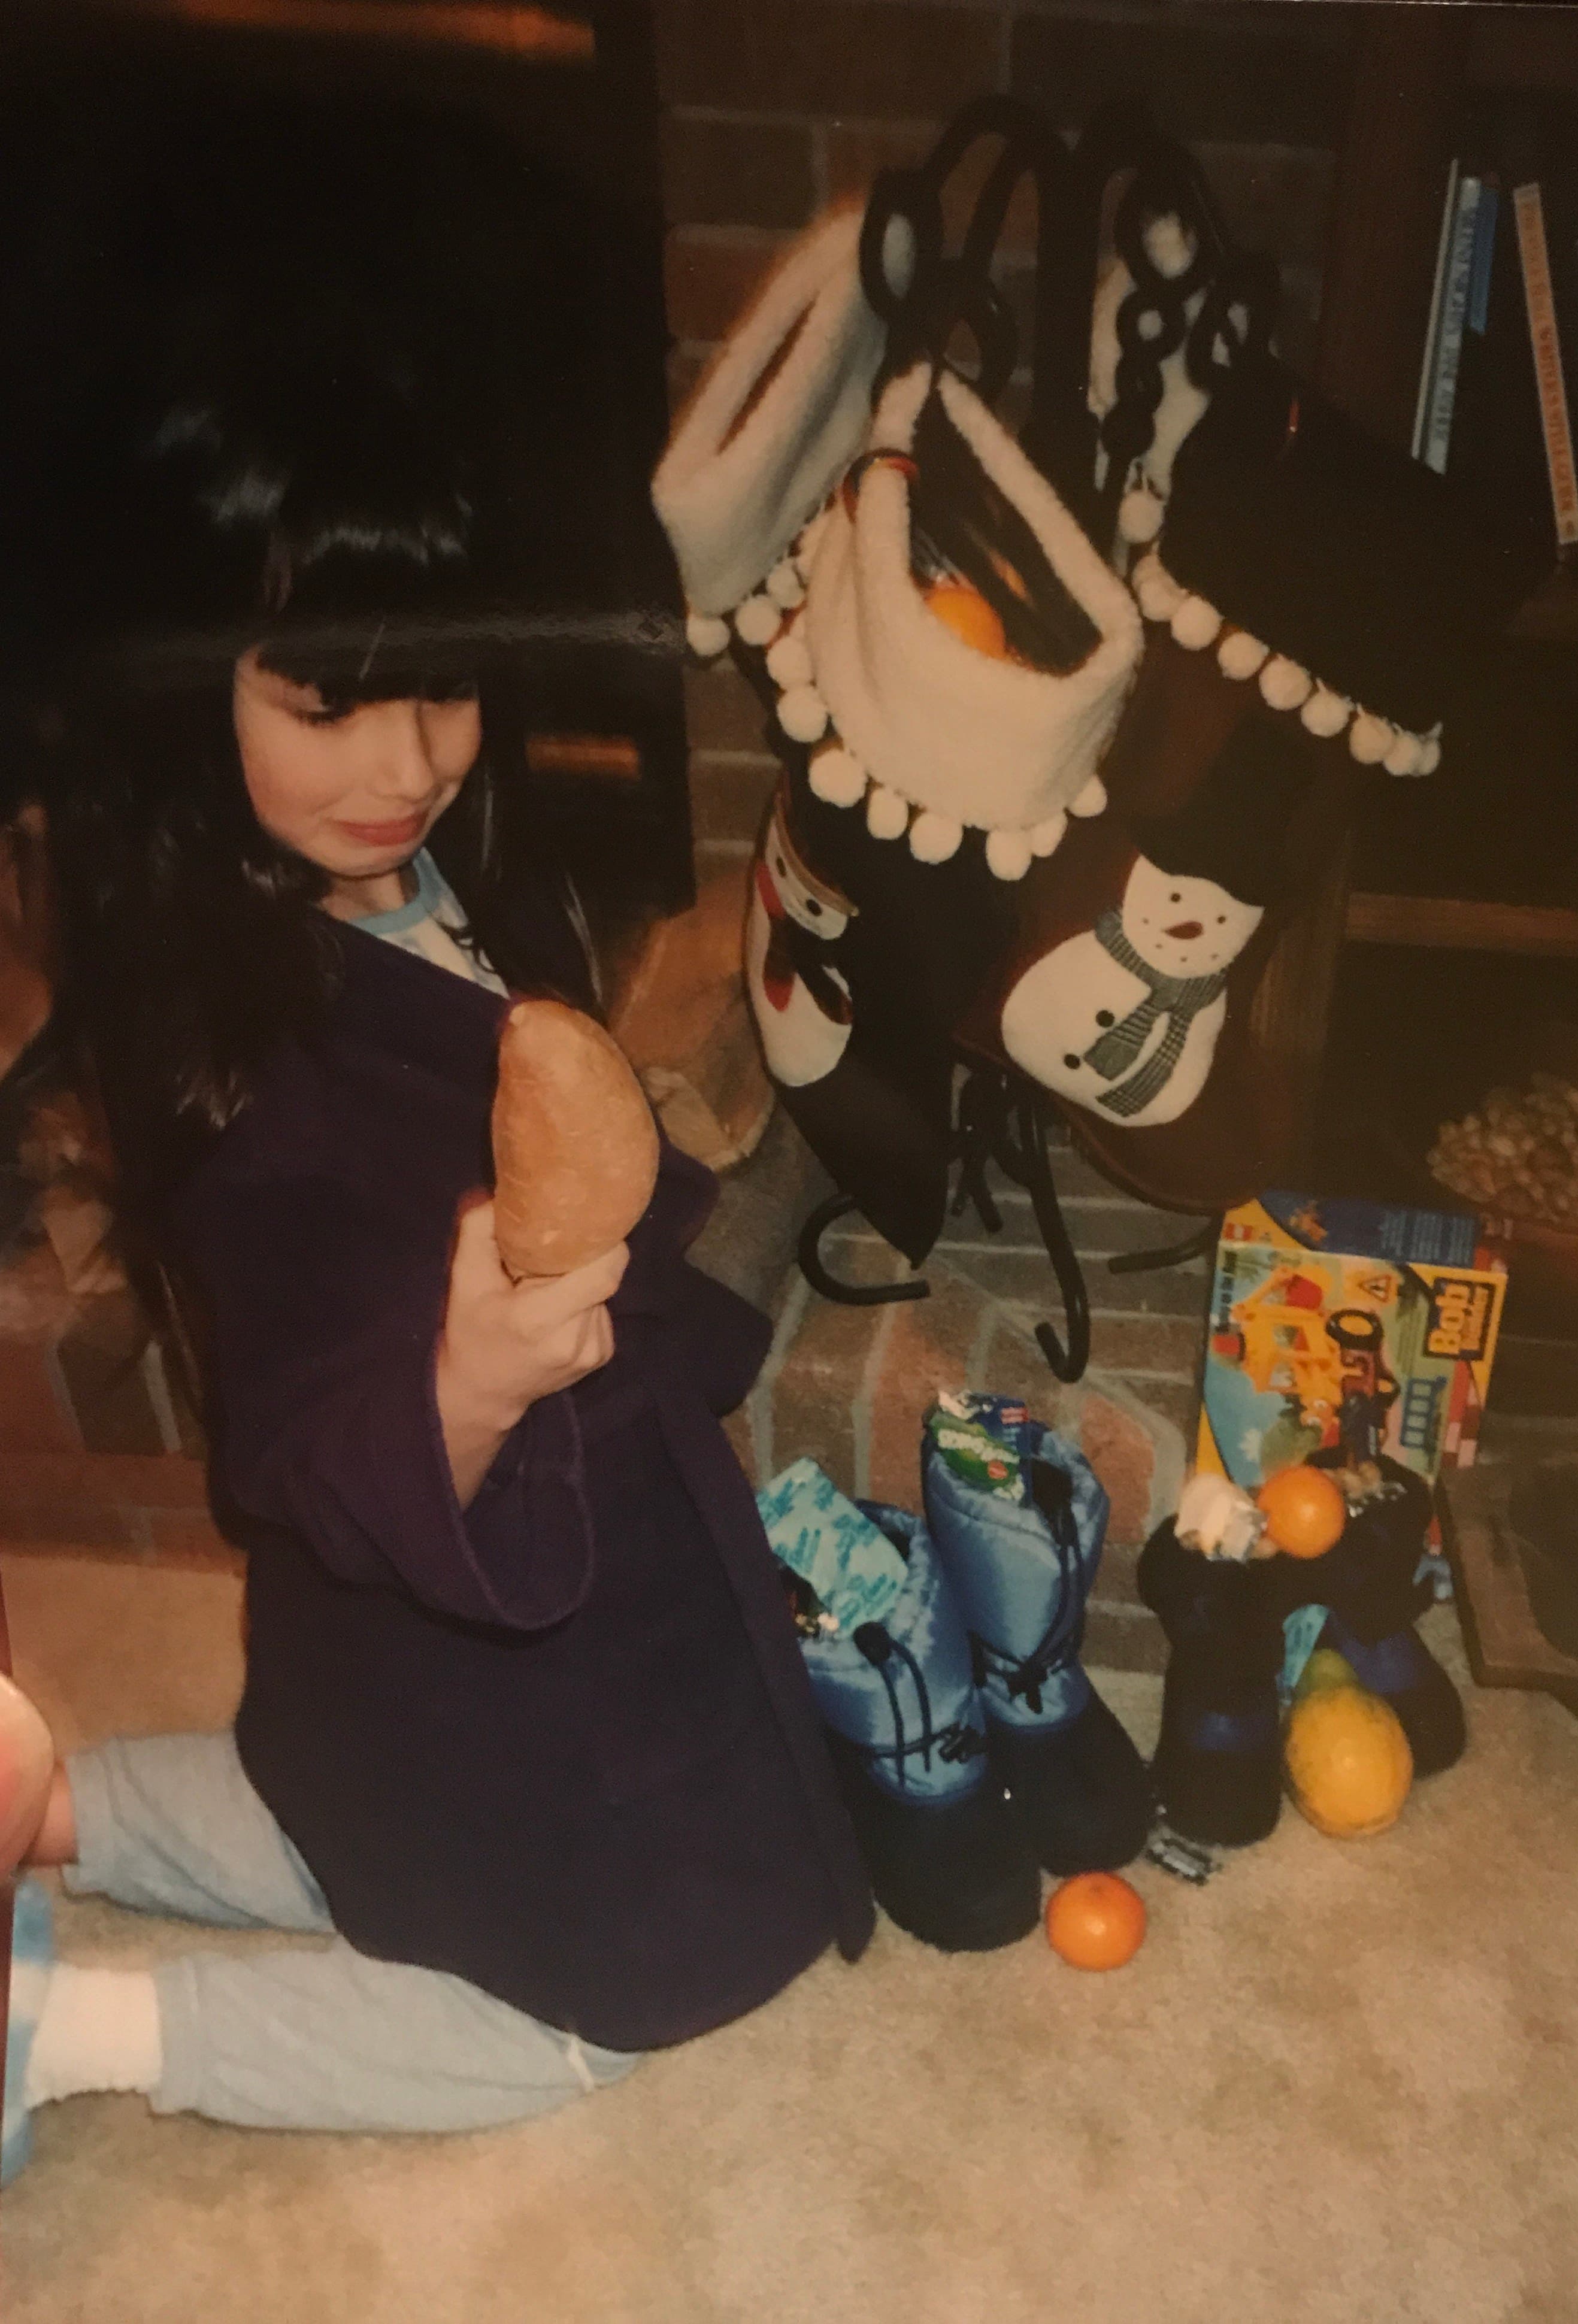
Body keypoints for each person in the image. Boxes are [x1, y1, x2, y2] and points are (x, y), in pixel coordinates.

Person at [1, 315, 872, 2184]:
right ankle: (69, 2030)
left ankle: (54, 1803)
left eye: (445, 687)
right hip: (463, 1566)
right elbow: (296, 1437)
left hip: (409, 1660)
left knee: (332, 1803)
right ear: (177, 695)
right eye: (328, 701)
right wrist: (463, 1390)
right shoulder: (240, 1063)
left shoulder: (420, 870)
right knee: (612, 1986)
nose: (409, 759)